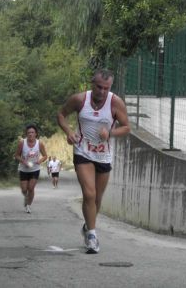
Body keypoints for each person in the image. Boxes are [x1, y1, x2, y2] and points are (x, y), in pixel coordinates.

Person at [57, 69, 130, 254]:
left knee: (97, 198)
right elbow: (61, 115)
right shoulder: (80, 99)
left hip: (103, 155)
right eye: (99, 87)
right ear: (92, 84)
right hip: (83, 152)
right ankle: (92, 235)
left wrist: (110, 133)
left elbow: (127, 127)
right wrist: (69, 132)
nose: (102, 91)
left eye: (106, 88)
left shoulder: (115, 102)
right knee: (89, 194)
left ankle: (87, 226)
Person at [14, 124, 47, 214]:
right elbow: (16, 155)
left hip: (35, 169)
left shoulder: (39, 143)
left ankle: (28, 205)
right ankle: (26, 197)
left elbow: (45, 156)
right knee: (24, 189)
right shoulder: (22, 143)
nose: (30, 134)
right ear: (26, 134)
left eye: (32, 132)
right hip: (23, 169)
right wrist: (24, 162)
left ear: (36, 134)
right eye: (28, 132)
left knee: (31, 188)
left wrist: (39, 161)